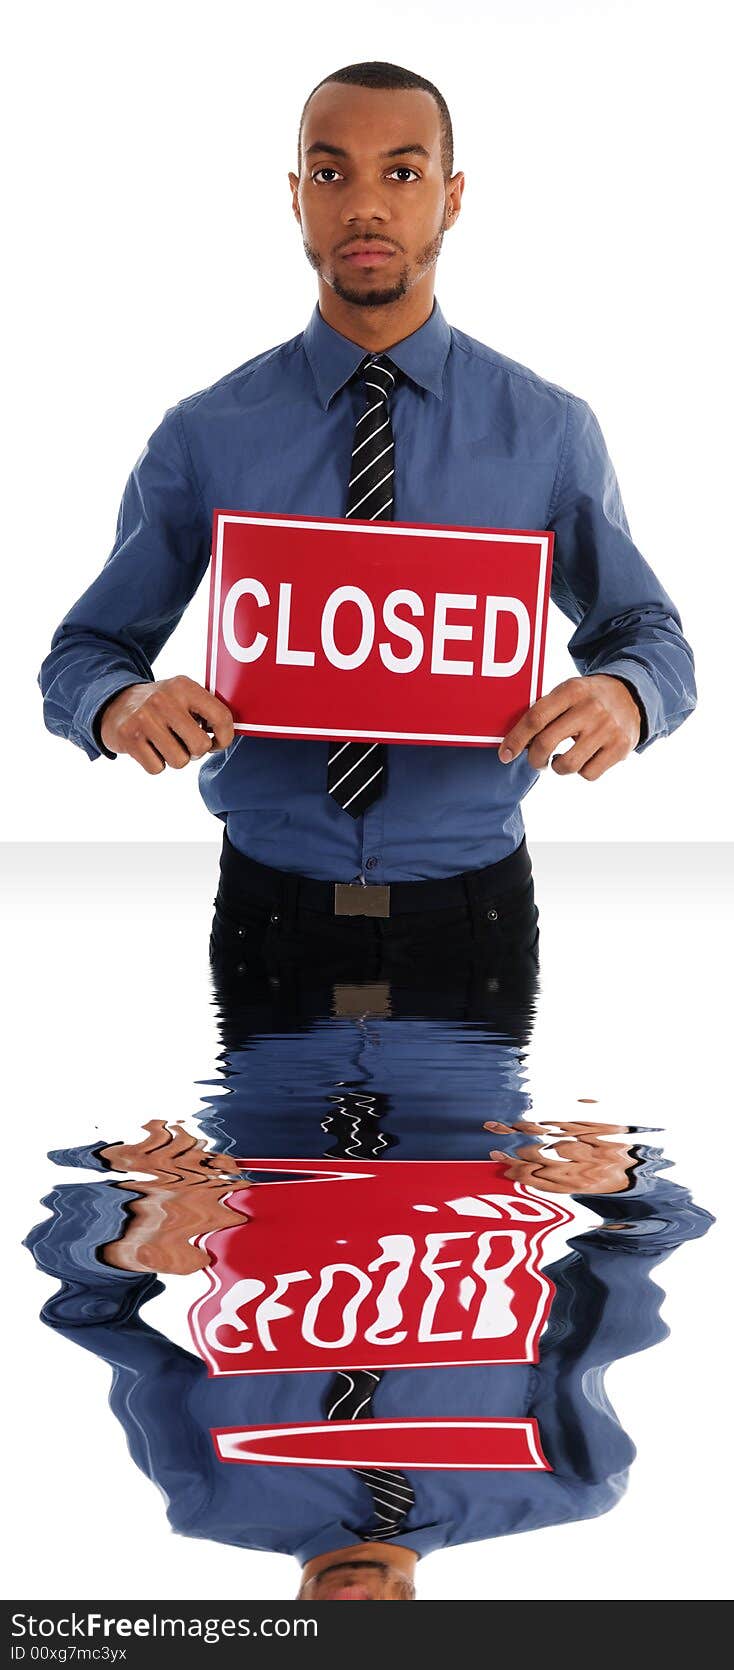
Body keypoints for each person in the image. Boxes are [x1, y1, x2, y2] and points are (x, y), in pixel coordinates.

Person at [37, 60, 696, 974]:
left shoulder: (548, 433)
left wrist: (628, 694)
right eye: (331, 171)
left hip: (479, 923)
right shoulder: (203, 436)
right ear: (295, 197)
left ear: (453, 197)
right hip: (267, 918)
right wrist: (120, 703)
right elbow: (83, 652)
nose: (365, 206)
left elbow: (649, 634)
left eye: (403, 171)